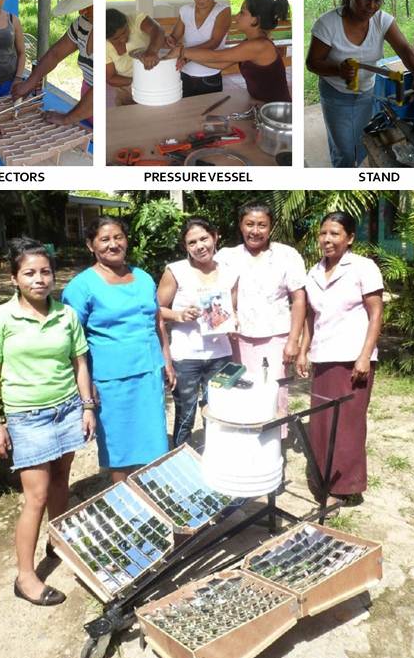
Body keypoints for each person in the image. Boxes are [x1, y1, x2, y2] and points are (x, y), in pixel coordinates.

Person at [0, 238, 96, 606]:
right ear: (14, 278)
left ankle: (58, 541)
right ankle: (25, 577)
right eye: (29, 273)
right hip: (27, 418)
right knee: (36, 496)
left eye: (45, 272)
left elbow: (79, 363)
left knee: (62, 480)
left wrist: (87, 407)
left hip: (66, 410)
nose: (39, 279)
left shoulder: (66, 315)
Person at [62, 217, 173, 481]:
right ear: (91, 245)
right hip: (111, 380)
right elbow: (72, 340)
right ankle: (123, 505)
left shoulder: (143, 277)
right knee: (119, 448)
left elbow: (157, 321)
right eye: (104, 239)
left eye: (118, 237)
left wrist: (166, 360)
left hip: (148, 373)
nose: (113, 244)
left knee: (152, 442)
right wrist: (86, 386)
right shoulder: (81, 286)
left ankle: (149, 501)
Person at [306, 0, 414, 167]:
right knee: (344, 150)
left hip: (366, 92)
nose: (371, 5)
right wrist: (338, 70)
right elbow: (312, 63)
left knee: (361, 141)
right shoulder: (328, 24)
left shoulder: (382, 20)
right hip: (336, 95)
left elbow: (405, 49)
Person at [297, 212, 384, 505]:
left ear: (349, 238)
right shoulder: (313, 272)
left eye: (334, 233)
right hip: (324, 356)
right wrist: (304, 350)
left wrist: (364, 356)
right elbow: (311, 317)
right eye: (323, 233)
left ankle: (346, 487)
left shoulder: (363, 267)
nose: (327, 239)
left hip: (352, 359)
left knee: (348, 423)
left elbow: (375, 314)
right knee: (322, 422)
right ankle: (324, 478)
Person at [217, 202, 306, 418]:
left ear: (271, 227)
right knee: (240, 389)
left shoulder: (287, 255)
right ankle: (245, 437)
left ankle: (274, 442)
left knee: (274, 390)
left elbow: (299, 299)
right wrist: (225, 320)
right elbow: (215, 295)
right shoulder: (227, 256)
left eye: (262, 225)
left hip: (275, 338)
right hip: (236, 339)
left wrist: (294, 341)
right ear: (240, 225)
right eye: (249, 224)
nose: (255, 231)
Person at [157, 217, 237, 448]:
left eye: (204, 238)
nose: (199, 246)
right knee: (186, 412)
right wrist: (179, 315)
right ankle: (181, 458)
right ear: (185, 247)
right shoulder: (176, 271)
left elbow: (231, 308)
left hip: (220, 355)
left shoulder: (230, 272)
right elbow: (155, 310)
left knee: (218, 409)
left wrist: (234, 319)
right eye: (192, 242)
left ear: (215, 237)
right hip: (186, 355)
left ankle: (216, 455)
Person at [12, 0, 93, 127]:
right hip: (86, 110)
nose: (81, 11)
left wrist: (67, 118)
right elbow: (55, 54)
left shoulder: (114, 30)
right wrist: (30, 83)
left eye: (86, 4)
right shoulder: (83, 24)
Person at [174, 0, 291, 102]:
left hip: (276, 109)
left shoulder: (259, 46)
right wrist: (190, 58)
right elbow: (221, 64)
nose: (237, 17)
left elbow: (217, 56)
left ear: (255, 19)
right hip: (261, 104)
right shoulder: (251, 42)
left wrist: (181, 51)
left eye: (242, 12)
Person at [165, 0, 231, 98]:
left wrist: (184, 53)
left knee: (209, 113)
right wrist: (170, 40)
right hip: (185, 72)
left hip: (209, 74)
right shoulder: (185, 10)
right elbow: (175, 36)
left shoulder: (222, 11)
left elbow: (214, 42)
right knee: (184, 113)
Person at [106, 8, 167, 106]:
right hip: (126, 90)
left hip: (155, 80)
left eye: (125, 31)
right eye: (116, 38)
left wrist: (152, 51)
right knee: (130, 117)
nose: (123, 38)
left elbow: (157, 30)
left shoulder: (135, 19)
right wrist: (138, 80)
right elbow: (111, 78)